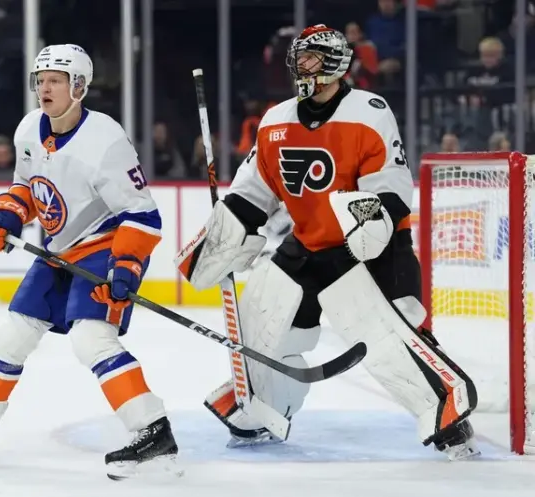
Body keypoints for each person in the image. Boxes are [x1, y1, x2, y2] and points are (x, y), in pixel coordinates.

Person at [175, 25, 479, 461]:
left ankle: (446, 416)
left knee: (389, 333)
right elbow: (253, 192)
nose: (302, 66)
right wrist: (225, 235)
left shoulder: (368, 111)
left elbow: (392, 191)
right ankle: (261, 404)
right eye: (299, 58)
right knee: (261, 318)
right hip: (308, 243)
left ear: (336, 62)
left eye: (312, 58)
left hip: (370, 248)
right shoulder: (276, 121)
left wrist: (371, 227)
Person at [0, 44, 180, 480]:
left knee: (91, 340)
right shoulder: (29, 129)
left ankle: (152, 431)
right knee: (12, 336)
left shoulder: (105, 140)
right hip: (59, 251)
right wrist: (8, 213)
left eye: (55, 80)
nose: (44, 88)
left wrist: (126, 268)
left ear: (78, 86)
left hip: (104, 246)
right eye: (40, 80)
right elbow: (28, 187)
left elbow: (142, 215)